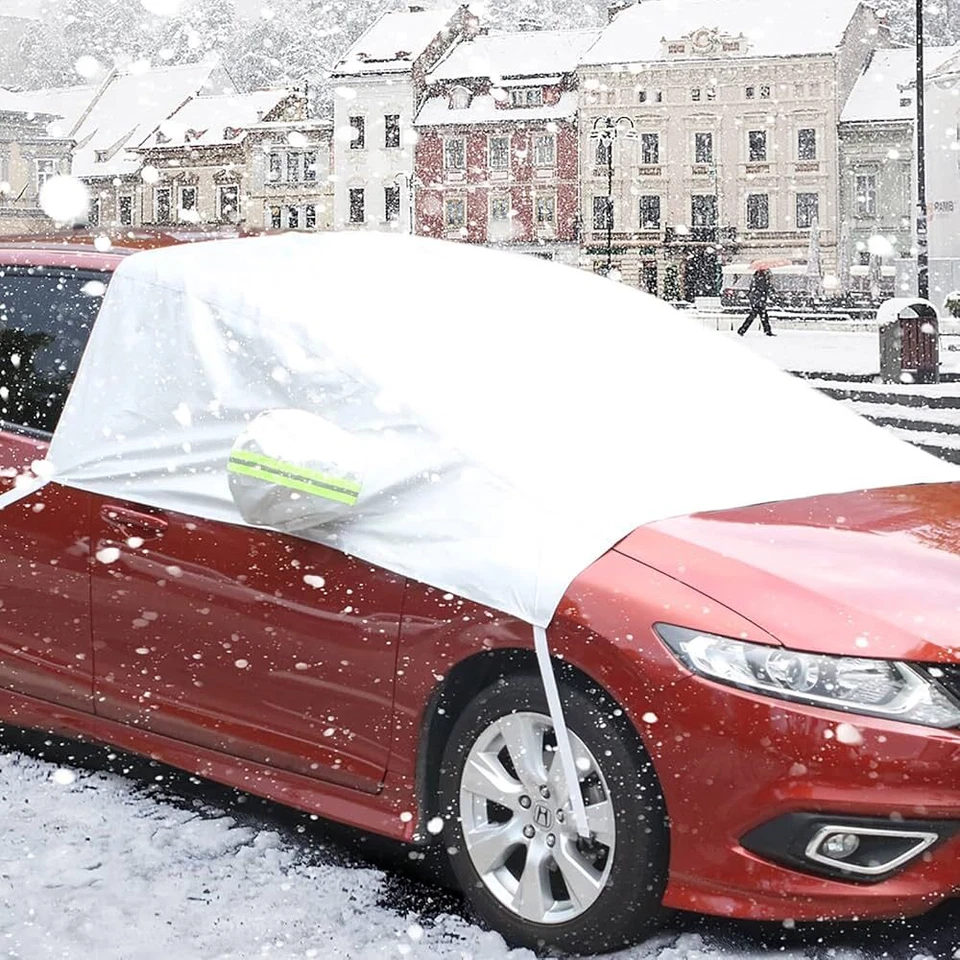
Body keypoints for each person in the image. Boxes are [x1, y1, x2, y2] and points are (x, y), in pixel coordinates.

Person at [737, 269, 775, 336]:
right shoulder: (762, 279)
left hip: (756, 300)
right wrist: (770, 287)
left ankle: (742, 330)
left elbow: (754, 288)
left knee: (759, 316)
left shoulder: (756, 277)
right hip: (759, 300)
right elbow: (766, 288)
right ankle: (742, 330)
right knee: (761, 316)